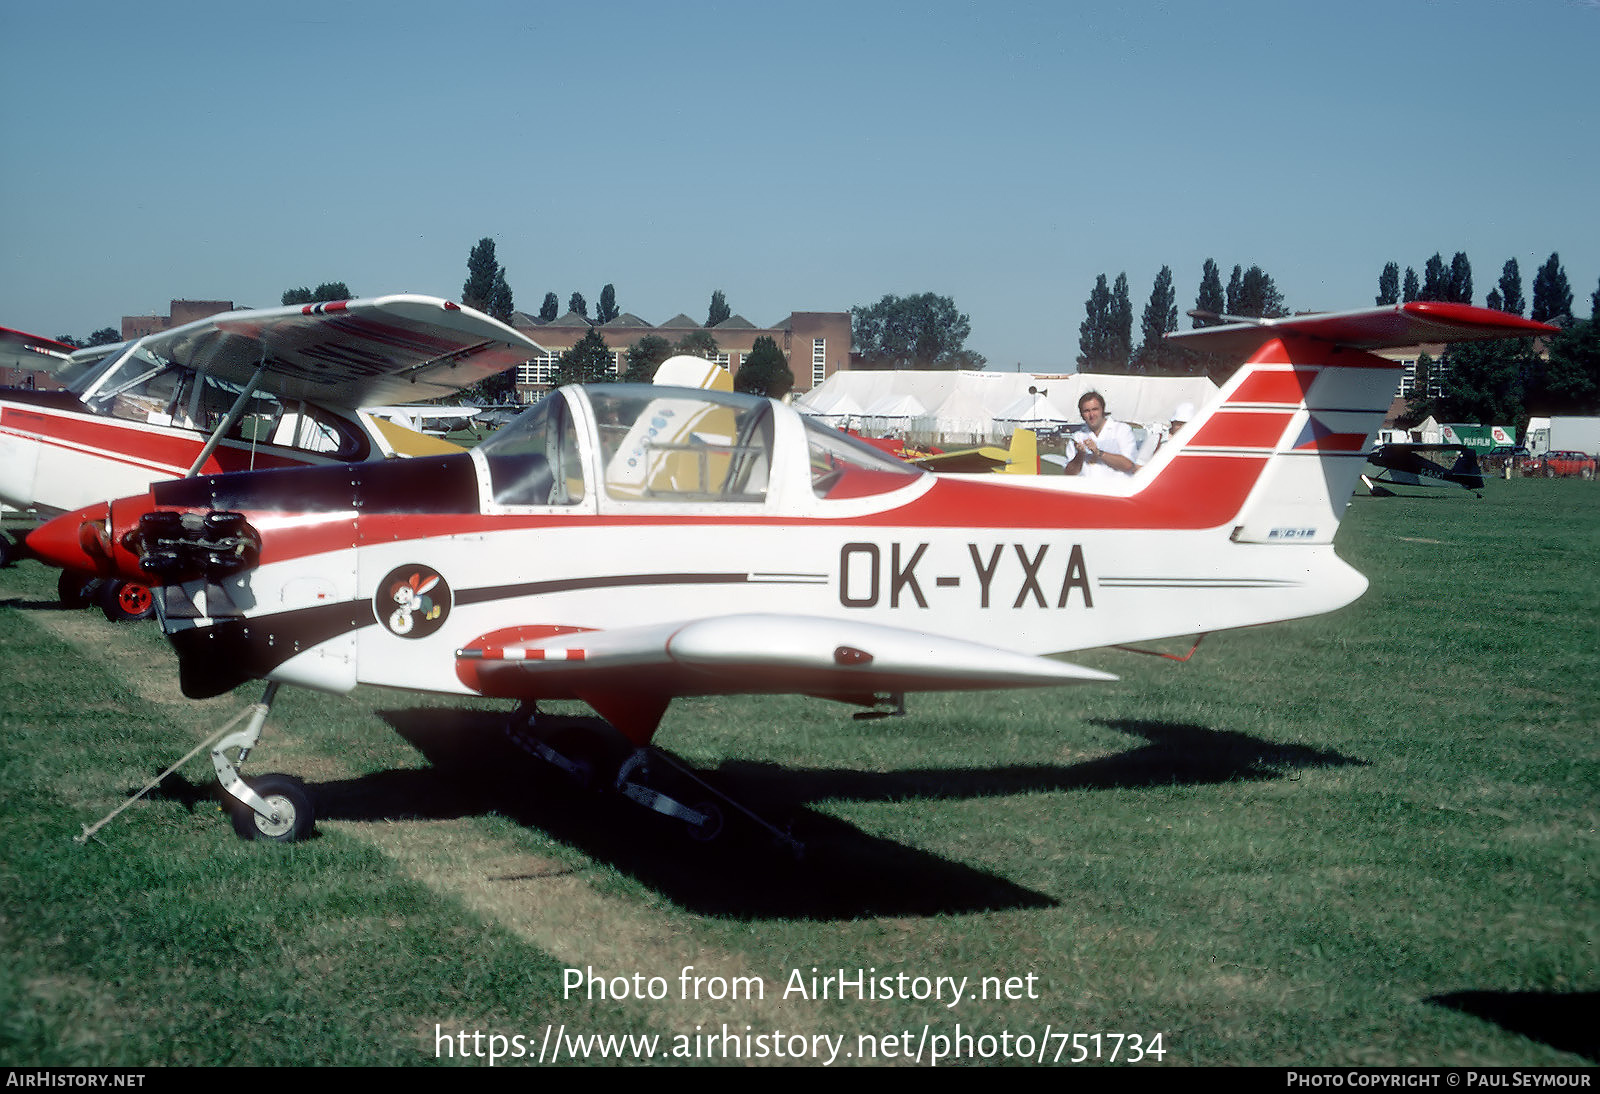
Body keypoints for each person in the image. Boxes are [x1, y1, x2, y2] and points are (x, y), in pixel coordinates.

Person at [1065, 391, 1137, 479]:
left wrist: (1098, 452)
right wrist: (1080, 455)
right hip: (1087, 490)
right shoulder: (1078, 436)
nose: (1091, 415)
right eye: (1086, 411)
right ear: (1081, 415)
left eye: (1095, 409)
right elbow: (1069, 474)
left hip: (1116, 489)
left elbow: (1128, 465)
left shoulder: (1122, 430)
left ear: (1102, 409)